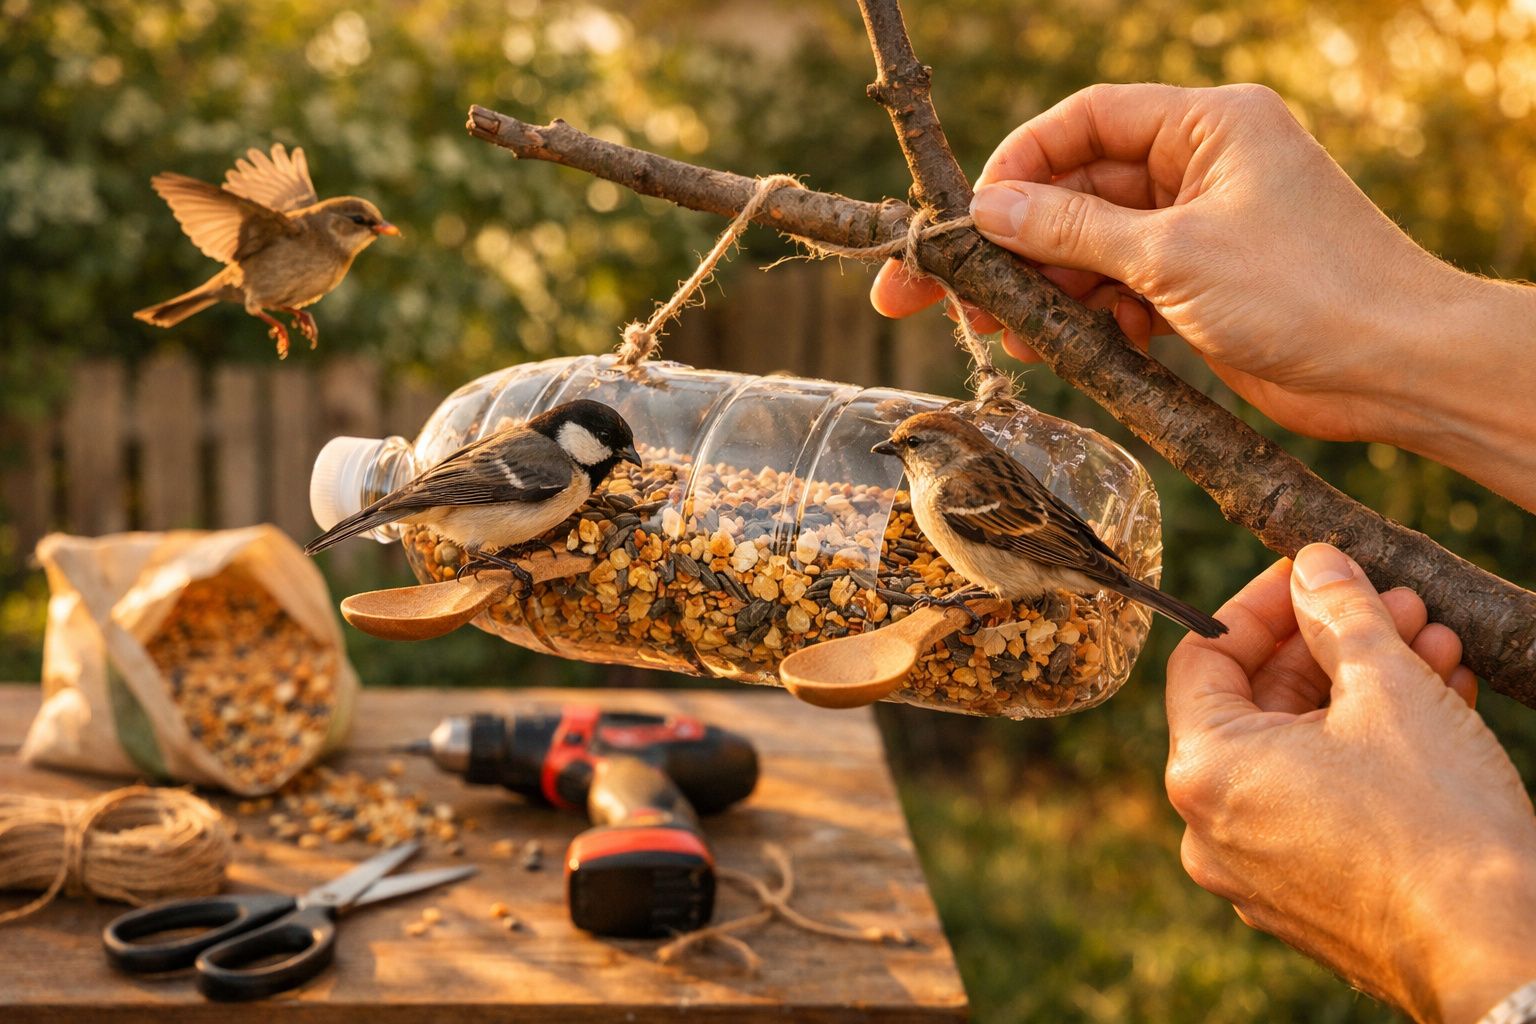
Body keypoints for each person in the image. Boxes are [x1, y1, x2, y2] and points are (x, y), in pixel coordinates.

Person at [870, 83, 1536, 1024]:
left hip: (1064, 560)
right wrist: (1399, 345)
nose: (908, 461)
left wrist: (1425, 900)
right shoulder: (966, 479)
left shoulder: (959, 491)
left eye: (915, 447)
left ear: (946, 455)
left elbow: (1042, 535)